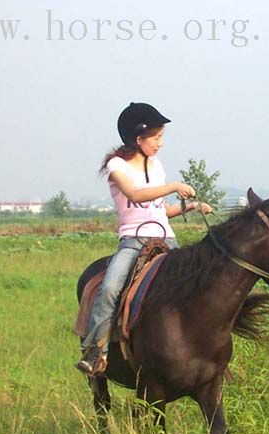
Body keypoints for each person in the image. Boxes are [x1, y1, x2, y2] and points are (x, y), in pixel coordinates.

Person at [76, 102, 212, 375]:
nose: (161, 143)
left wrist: (193, 207)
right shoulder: (116, 166)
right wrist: (174, 186)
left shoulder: (156, 165)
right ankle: (96, 352)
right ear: (138, 138)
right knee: (110, 289)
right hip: (133, 241)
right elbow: (136, 196)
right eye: (157, 137)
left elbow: (159, 210)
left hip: (166, 240)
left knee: (199, 285)